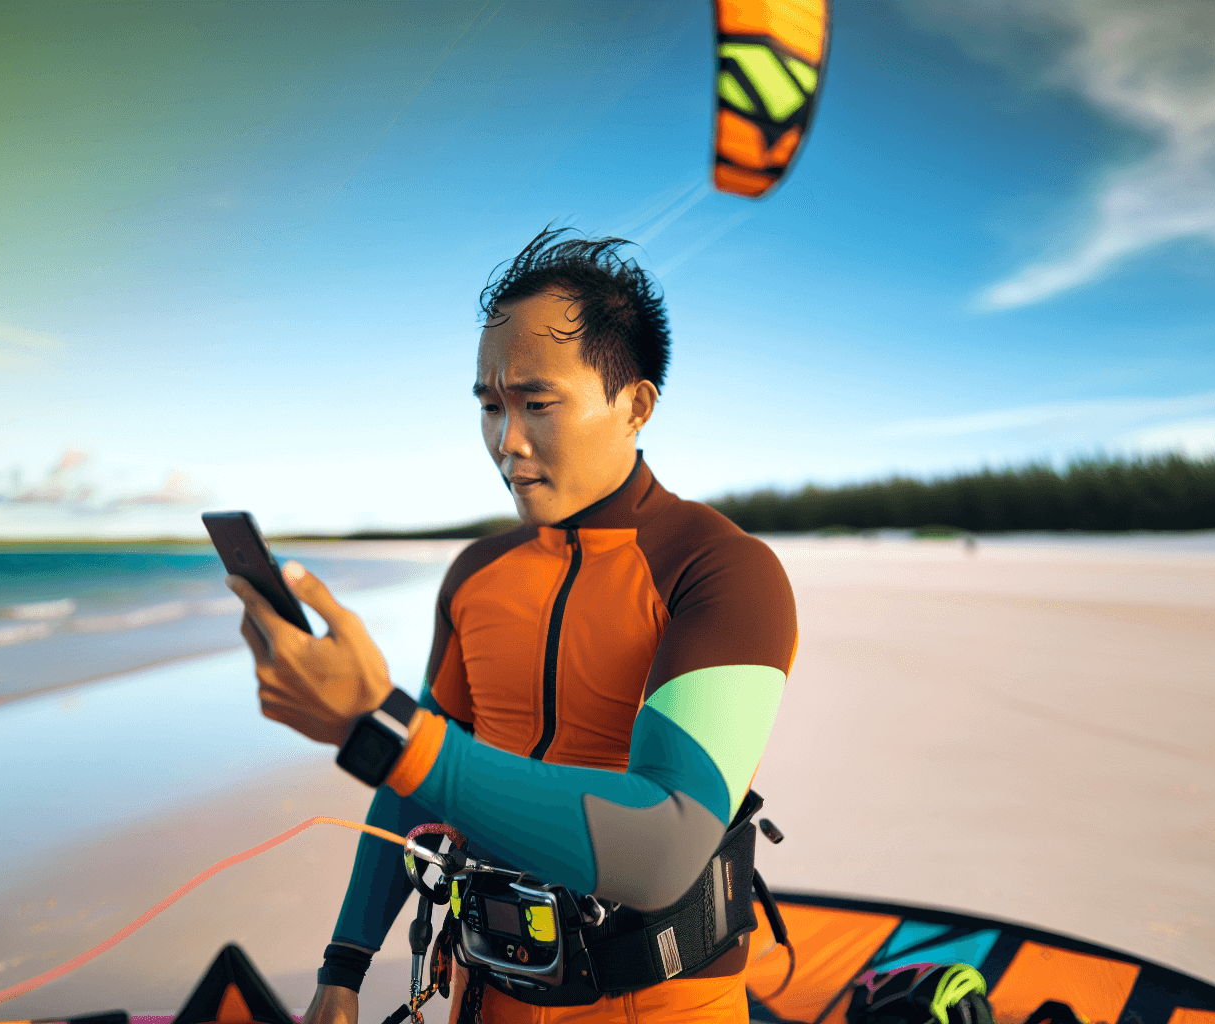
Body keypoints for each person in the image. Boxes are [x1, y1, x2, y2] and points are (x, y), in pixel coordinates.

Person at [227, 227, 797, 1023]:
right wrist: (345, 966)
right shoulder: (476, 575)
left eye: (537, 403)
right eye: (490, 406)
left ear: (635, 404)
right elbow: (411, 790)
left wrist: (383, 728)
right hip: (487, 988)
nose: (507, 442)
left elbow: (668, 848)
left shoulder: (721, 570)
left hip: (663, 1002)